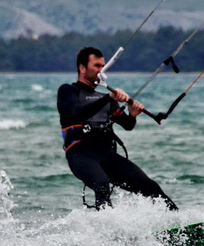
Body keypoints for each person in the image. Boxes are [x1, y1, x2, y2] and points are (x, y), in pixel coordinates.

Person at [57, 46, 177, 210]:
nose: (101, 70)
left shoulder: (105, 98)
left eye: (103, 66)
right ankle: (106, 230)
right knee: (101, 185)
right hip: (80, 153)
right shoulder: (68, 91)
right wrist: (108, 98)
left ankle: (180, 225)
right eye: (97, 66)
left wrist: (132, 114)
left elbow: (127, 125)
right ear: (82, 68)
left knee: (149, 186)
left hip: (106, 154)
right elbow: (75, 114)